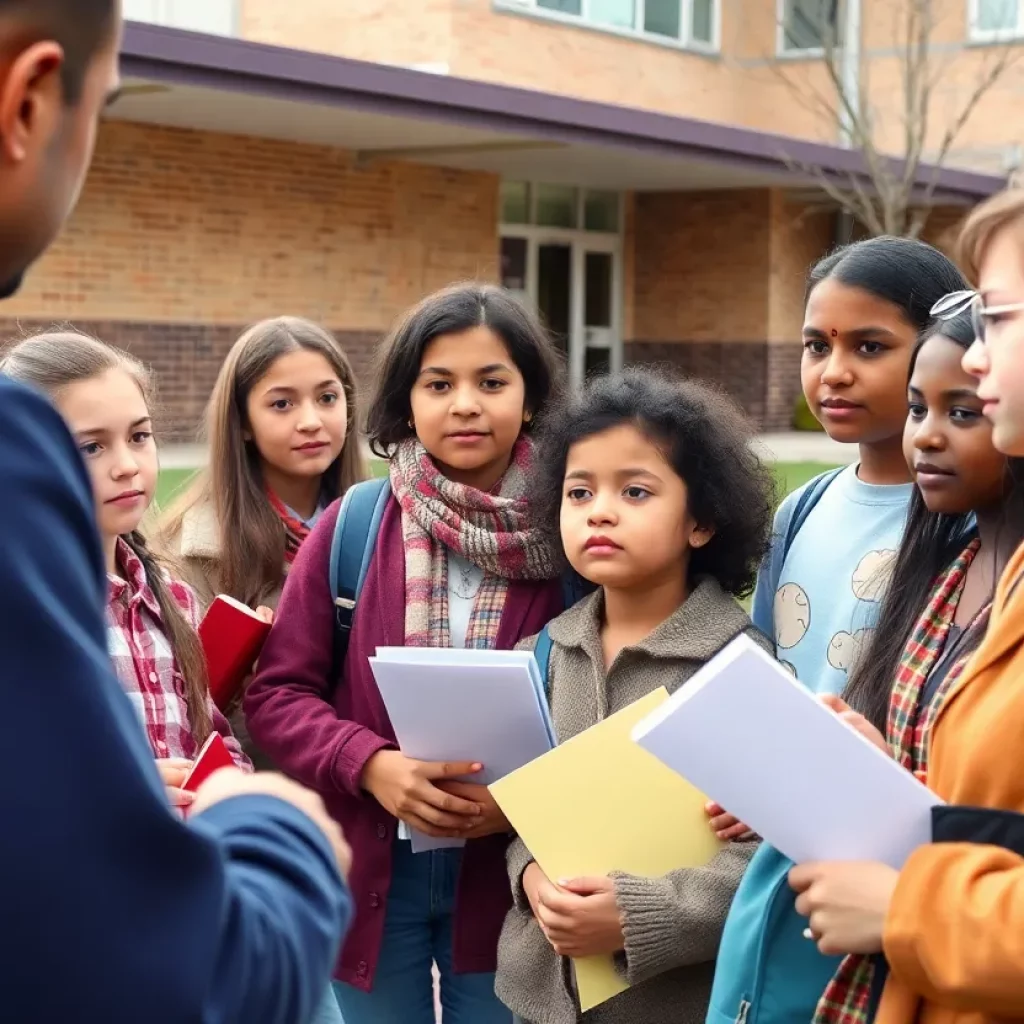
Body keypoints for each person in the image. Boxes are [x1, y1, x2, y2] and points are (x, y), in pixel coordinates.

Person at [0, 1, 353, 1019]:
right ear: (30, 100)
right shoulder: (24, 503)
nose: (125, 466)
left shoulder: (157, 587)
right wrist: (274, 826)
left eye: (141, 435)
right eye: (104, 106)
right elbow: (170, 968)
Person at [244, 283, 569, 1024]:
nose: (465, 405)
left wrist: (523, 802)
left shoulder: (571, 531)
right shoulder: (355, 524)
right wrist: (371, 765)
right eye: (439, 384)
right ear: (407, 400)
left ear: (529, 398)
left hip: (511, 877)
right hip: (372, 871)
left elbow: (609, 705)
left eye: (492, 382)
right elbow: (277, 695)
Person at [706, 237, 969, 1024]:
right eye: (817, 345)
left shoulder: (966, 528)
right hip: (774, 866)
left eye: (870, 347)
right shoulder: (802, 509)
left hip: (887, 875)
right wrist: (747, 778)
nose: (834, 372)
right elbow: (769, 681)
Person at [789, 191, 1024, 1024]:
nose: (977, 356)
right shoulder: (967, 566)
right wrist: (886, 774)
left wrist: (905, 908)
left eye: (1001, 318)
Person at [495, 369, 774, 1024]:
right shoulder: (541, 655)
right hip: (537, 1001)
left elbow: (766, 857)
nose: (600, 510)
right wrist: (530, 877)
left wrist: (638, 917)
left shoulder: (738, 670)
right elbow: (520, 812)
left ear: (701, 521)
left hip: (673, 1004)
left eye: (636, 491)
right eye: (579, 491)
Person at [1, 331, 253, 803]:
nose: (127, 466)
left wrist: (234, 794)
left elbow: (215, 742)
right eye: (91, 447)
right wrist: (116, 787)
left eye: (139, 437)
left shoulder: (175, 600)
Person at [158, 316, 366, 771]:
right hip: (259, 786)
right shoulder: (193, 550)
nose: (310, 421)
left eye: (327, 398)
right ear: (243, 423)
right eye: (281, 404)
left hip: (368, 780)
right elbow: (183, 708)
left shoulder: (378, 525)